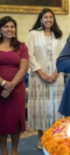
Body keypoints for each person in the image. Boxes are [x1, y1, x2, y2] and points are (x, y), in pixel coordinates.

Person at [27, 8, 65, 149]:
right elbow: (30, 55)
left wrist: (56, 72)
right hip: (38, 76)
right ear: (41, 19)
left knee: (55, 107)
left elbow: (63, 56)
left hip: (56, 75)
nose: (49, 19)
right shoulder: (34, 34)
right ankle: (40, 136)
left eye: (51, 17)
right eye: (45, 17)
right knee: (41, 107)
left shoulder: (59, 35)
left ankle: (54, 136)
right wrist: (42, 73)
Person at [0, 16, 29, 155]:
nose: (9, 29)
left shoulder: (21, 46)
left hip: (17, 88)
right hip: (0, 87)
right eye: (6, 26)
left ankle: (14, 150)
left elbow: (23, 68)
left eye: (12, 26)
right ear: (0, 29)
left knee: (16, 120)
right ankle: (3, 150)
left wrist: (10, 86)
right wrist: (4, 84)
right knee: (1, 120)